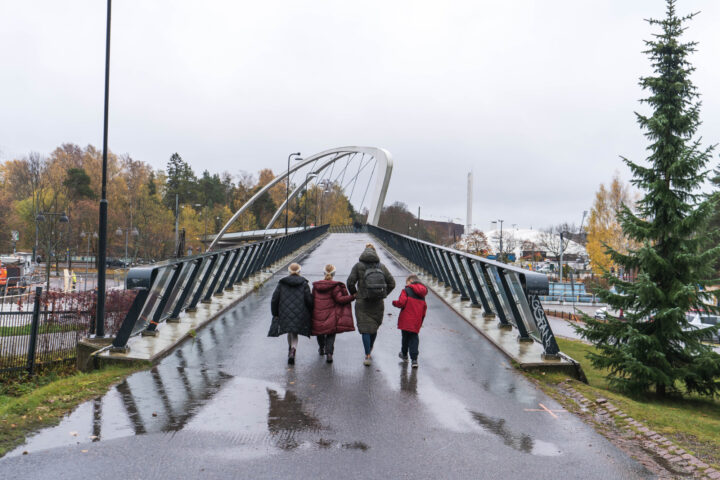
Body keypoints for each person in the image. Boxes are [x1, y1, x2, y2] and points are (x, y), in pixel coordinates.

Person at [347, 243, 395, 366]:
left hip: (362, 301)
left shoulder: (358, 266)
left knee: (365, 329)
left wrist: (355, 294)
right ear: (375, 253)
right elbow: (392, 283)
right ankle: (371, 347)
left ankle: (367, 354)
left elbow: (350, 282)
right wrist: (383, 294)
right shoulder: (382, 267)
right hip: (377, 302)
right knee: (373, 327)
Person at [269, 263, 313, 365]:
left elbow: (274, 299)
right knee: (294, 333)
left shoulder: (282, 283)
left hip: (284, 312)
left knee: (289, 330)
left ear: (289, 271)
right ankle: (293, 350)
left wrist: (275, 313)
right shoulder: (304, 284)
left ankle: (290, 350)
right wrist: (310, 311)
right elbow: (309, 300)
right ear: (299, 271)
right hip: (300, 312)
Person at [311, 264, 356, 363]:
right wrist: (352, 296)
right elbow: (340, 299)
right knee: (331, 333)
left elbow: (312, 299)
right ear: (334, 273)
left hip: (318, 314)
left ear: (324, 273)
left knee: (320, 332)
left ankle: (321, 348)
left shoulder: (316, 286)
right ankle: (329, 354)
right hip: (331, 314)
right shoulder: (334, 286)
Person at [392, 274, 428, 368]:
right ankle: (414, 360)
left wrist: (394, 303)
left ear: (411, 280)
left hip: (406, 319)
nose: (406, 284)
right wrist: (421, 321)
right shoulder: (422, 294)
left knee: (405, 337)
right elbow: (424, 309)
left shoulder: (406, 290)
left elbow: (401, 303)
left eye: (407, 282)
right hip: (416, 320)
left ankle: (404, 354)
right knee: (414, 338)